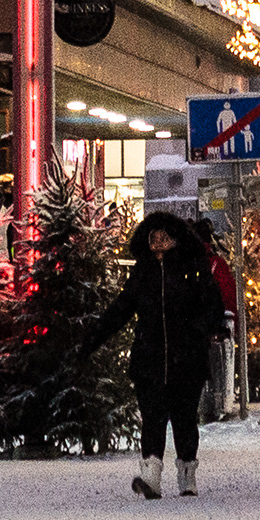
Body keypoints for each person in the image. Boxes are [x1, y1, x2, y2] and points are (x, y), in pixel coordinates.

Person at [79, 207, 229, 498]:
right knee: (152, 417)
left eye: (164, 238)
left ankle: (187, 472)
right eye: (153, 238)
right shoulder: (142, 275)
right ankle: (151, 475)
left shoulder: (192, 270)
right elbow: (120, 310)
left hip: (187, 360)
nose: (159, 243)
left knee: (185, 418)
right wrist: (92, 339)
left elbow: (211, 304)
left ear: (175, 240)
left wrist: (206, 329)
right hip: (150, 360)